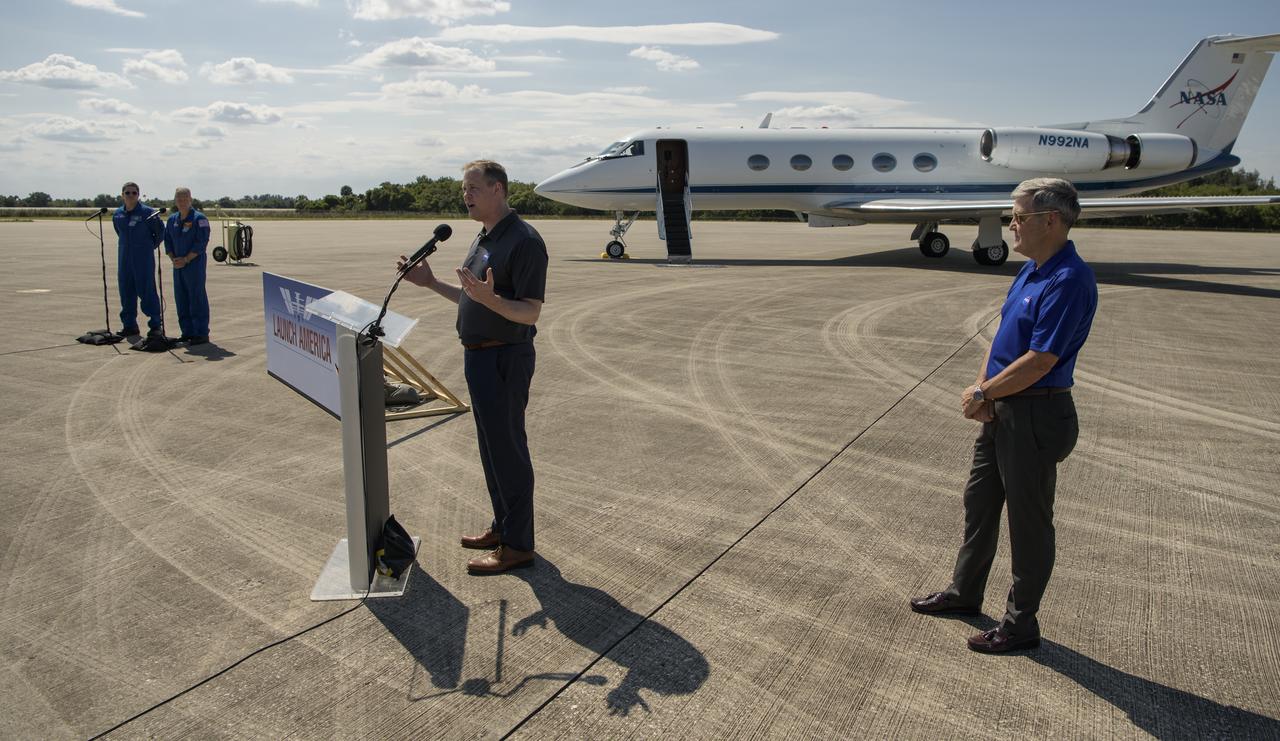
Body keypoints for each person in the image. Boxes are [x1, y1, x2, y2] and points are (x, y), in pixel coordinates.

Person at [910, 177, 1097, 653]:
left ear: (1049, 221)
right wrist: (983, 391)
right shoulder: (1031, 270)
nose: (1011, 225)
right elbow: (999, 340)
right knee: (979, 503)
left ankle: (1020, 625)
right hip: (1003, 407)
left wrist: (984, 391)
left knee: (1028, 524)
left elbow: (1041, 361)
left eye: (1018, 217)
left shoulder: (1068, 279)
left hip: (1036, 415)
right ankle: (965, 593)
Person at [398, 160, 548, 575]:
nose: (465, 195)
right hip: (479, 356)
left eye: (473, 188)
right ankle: (503, 526)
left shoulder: (524, 241)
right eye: (464, 189)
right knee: (491, 450)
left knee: (509, 452)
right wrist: (429, 284)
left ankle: (518, 546)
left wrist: (491, 301)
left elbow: (530, 312)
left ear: (498, 189)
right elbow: (472, 298)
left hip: (505, 358)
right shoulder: (485, 237)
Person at [112, 182, 165, 337]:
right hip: (125, 259)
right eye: (127, 193)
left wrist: (148, 247)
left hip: (143, 259)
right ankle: (129, 325)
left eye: (134, 193)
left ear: (138, 195)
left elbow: (160, 233)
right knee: (126, 291)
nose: (130, 196)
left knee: (147, 291)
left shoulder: (148, 213)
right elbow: (119, 232)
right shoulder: (118, 214)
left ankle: (155, 324)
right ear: (122, 195)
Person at [163, 187, 211, 345]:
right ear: (175, 200)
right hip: (178, 266)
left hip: (194, 265)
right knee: (181, 299)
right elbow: (168, 240)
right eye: (179, 198)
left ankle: (201, 333)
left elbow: (201, 242)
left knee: (196, 297)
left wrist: (186, 259)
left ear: (190, 199)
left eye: (185, 198)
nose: (182, 201)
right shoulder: (172, 219)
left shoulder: (199, 219)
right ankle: (187, 332)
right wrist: (173, 258)